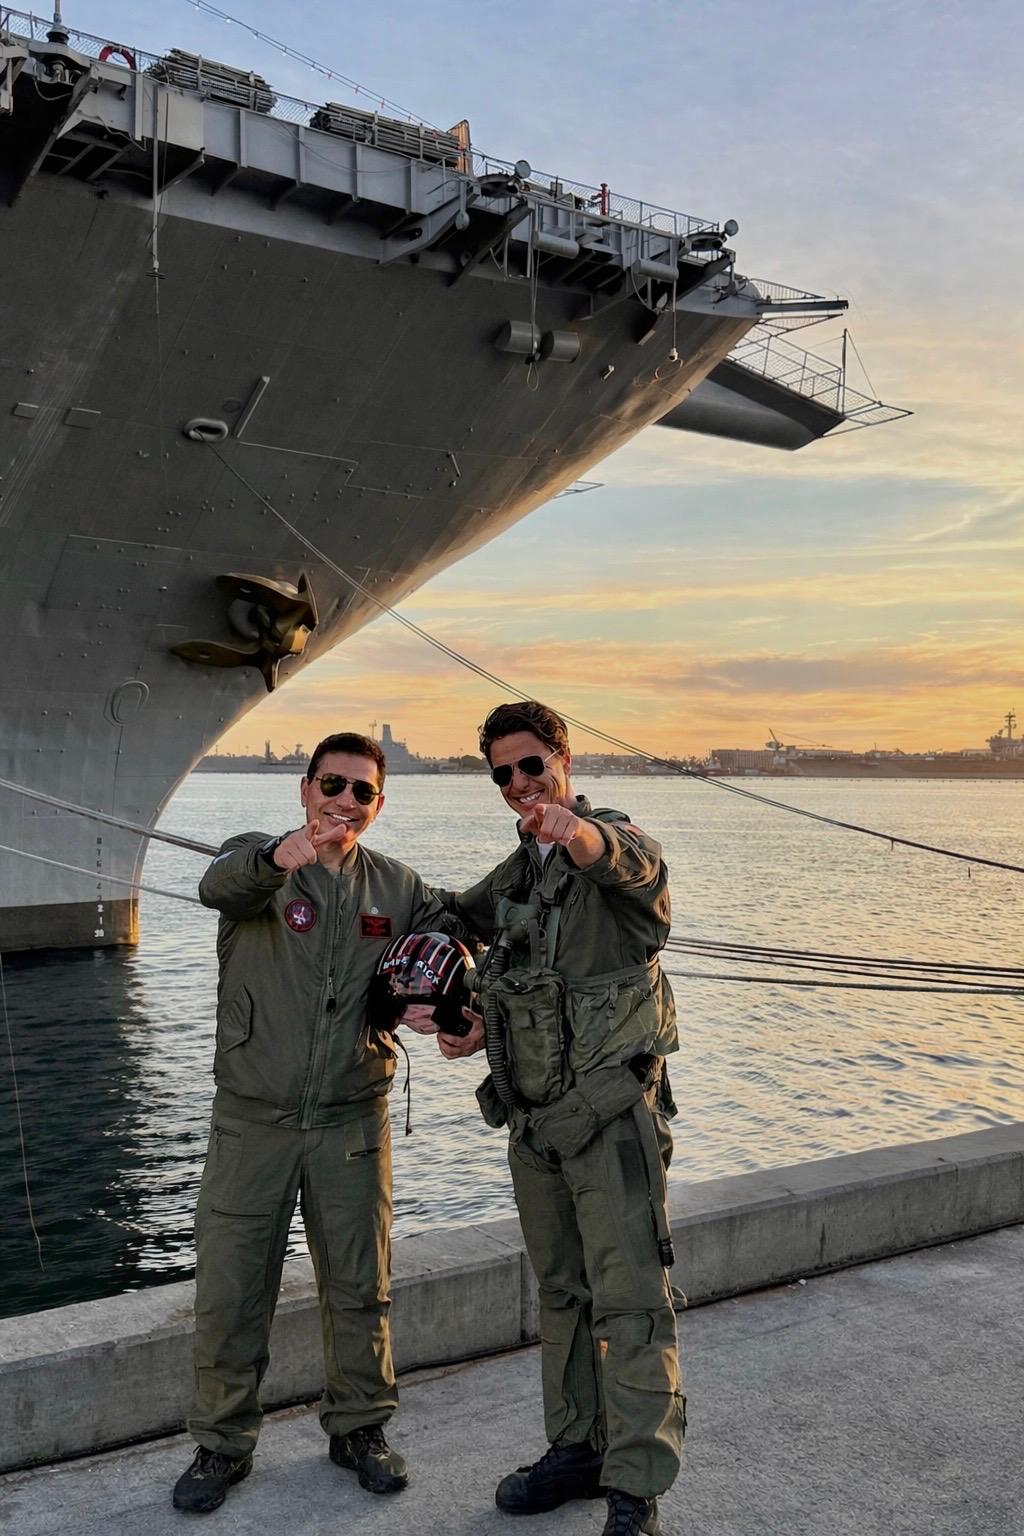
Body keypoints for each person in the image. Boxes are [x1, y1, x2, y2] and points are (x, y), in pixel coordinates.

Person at [172, 731, 452, 1514]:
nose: (343, 801)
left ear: (378, 804)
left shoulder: (395, 887)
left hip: (351, 1119)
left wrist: (448, 1007)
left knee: (362, 1285)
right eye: (331, 783)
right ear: (305, 788)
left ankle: (360, 1427)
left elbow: (453, 936)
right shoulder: (259, 863)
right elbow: (216, 885)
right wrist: (282, 856)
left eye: (362, 790)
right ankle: (221, 1444)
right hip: (252, 1123)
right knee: (232, 1288)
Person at [434, 701, 684, 1536]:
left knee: (632, 1303)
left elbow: (627, 865)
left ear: (563, 759)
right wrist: (451, 1000)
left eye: (532, 766)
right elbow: (457, 918)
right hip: (537, 1125)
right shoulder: (519, 870)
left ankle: (634, 1489)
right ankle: (576, 1449)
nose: (518, 785)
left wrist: (571, 827)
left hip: (611, 1119)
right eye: (502, 773)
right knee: (563, 1298)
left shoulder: (606, 839)